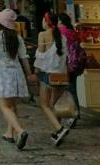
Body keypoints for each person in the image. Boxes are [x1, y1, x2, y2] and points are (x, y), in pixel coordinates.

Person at [0, 9, 35, 151]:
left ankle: (20, 131)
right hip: (16, 73)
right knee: (12, 105)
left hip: (2, 74)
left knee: (4, 106)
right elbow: (24, 57)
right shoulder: (17, 37)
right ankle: (9, 133)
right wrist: (29, 74)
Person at [34, 13, 71, 146]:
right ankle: (57, 133)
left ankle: (59, 129)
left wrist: (35, 71)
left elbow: (40, 56)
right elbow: (65, 58)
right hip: (61, 74)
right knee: (56, 105)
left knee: (44, 104)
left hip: (48, 74)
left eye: (43, 20)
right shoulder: (62, 37)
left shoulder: (42, 35)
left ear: (47, 22)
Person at [58, 13, 81, 128]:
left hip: (65, 65)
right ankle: (75, 113)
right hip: (75, 64)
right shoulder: (73, 32)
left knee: (66, 90)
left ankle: (71, 114)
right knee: (73, 89)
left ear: (60, 21)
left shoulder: (61, 32)